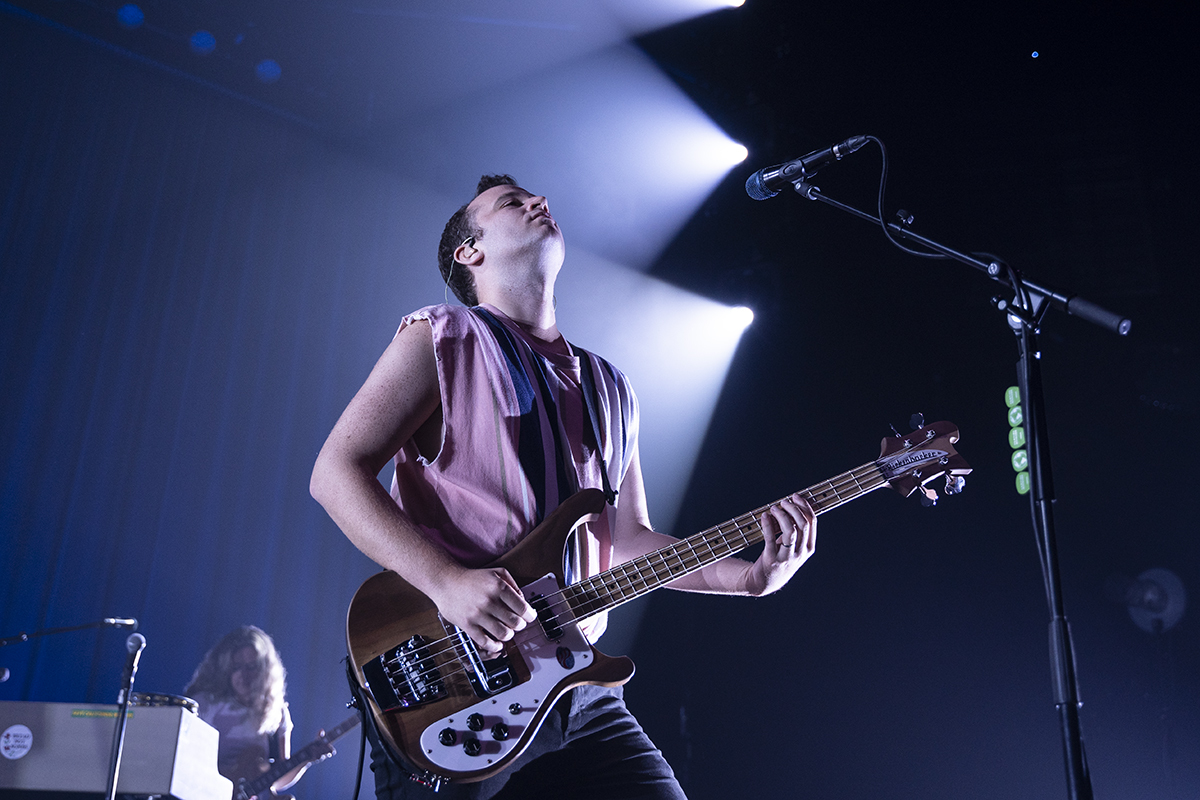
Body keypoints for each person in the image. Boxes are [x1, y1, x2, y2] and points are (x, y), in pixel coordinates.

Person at [310, 174, 818, 799]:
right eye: (510, 203)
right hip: (462, 677)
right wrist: (447, 584)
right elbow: (335, 473)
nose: (538, 201)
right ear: (470, 252)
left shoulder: (612, 388)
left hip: (579, 688)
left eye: (536, 197)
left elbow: (626, 538)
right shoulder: (442, 336)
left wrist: (746, 579)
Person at [185, 625, 320, 792]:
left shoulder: (276, 712)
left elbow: (276, 780)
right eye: (236, 667)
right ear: (224, 669)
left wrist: (306, 760)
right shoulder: (205, 704)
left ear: (266, 670)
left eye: (251, 667)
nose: (244, 675)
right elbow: (187, 762)